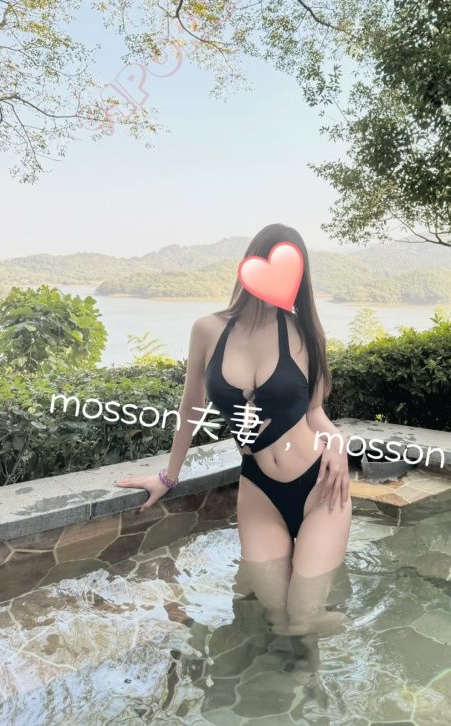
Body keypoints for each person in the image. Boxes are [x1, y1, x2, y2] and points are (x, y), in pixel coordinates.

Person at [117, 223, 352, 635]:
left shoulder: (306, 333)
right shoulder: (208, 330)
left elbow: (315, 412)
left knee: (302, 618)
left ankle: (336, 644)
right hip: (259, 492)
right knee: (275, 615)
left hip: (320, 486)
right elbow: (190, 406)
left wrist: (338, 444)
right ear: (252, 265)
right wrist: (168, 477)